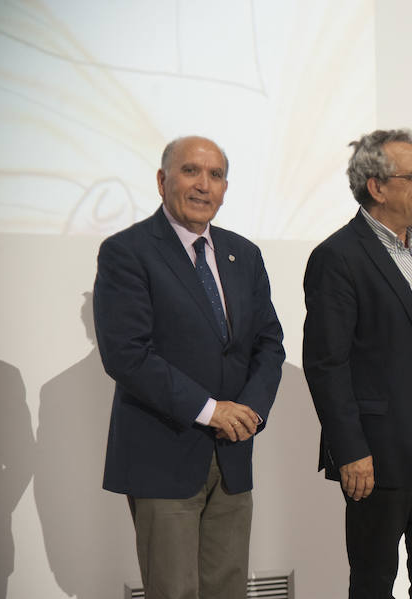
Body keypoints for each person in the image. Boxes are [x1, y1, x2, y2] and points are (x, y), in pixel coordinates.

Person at [93, 136, 285, 599]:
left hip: (233, 455)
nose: (204, 185)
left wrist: (249, 411)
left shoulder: (245, 254)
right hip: (163, 455)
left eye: (216, 175)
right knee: (174, 592)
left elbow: (269, 343)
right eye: (190, 171)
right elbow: (127, 354)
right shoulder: (127, 252)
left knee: (227, 591)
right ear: (162, 181)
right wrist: (209, 410)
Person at [302, 129, 412, 599]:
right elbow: (326, 364)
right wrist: (350, 450)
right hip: (377, 447)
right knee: (376, 576)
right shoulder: (337, 257)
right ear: (377, 187)